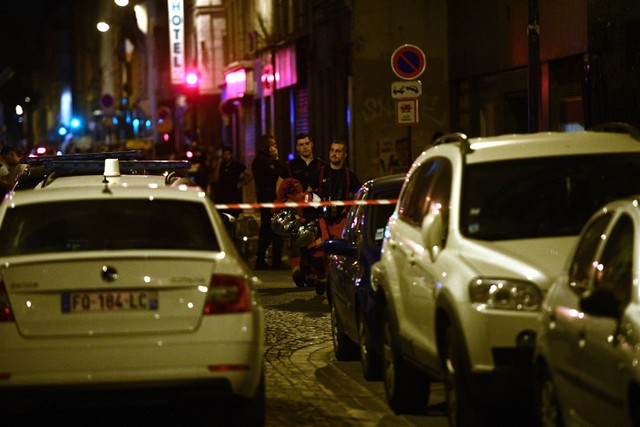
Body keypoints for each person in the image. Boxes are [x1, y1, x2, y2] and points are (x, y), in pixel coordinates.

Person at [308, 140, 361, 295]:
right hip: (321, 218)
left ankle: (337, 283)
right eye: (332, 150)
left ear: (344, 155)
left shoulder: (350, 176)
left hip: (340, 219)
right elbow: (309, 193)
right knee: (317, 252)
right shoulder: (319, 173)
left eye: (338, 151)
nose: (334, 153)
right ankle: (322, 278)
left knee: (339, 253)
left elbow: (359, 196)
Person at [277, 133, 325, 287]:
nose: (305, 147)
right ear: (297, 148)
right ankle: (297, 271)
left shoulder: (321, 165)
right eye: (301, 145)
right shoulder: (290, 167)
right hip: (296, 210)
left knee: (315, 241)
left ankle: (312, 274)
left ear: (312, 145)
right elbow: (279, 187)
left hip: (315, 209)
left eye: (307, 143)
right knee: (296, 240)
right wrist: (287, 203)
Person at [252, 135, 284, 270]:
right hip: (268, 198)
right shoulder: (262, 160)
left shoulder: (263, 159)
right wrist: (276, 160)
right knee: (270, 229)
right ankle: (268, 260)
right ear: (267, 146)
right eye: (273, 145)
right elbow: (277, 173)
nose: (275, 148)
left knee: (272, 229)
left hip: (269, 198)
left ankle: (270, 259)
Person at [211, 146, 253, 217]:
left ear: (231, 155)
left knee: (233, 218)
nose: (226, 156)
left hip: (234, 196)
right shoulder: (221, 166)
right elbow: (215, 178)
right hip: (222, 197)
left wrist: (241, 184)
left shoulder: (237, 165)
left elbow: (250, 175)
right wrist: (218, 164)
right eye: (224, 154)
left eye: (228, 154)